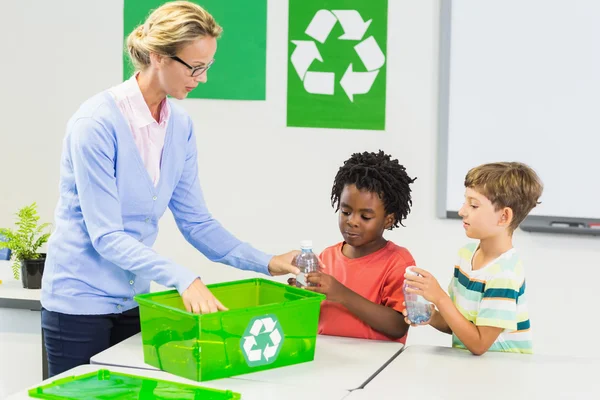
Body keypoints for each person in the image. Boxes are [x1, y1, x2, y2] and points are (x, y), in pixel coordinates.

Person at [41, 1, 299, 377]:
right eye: (195, 67)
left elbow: (197, 222)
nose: (202, 78)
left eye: (207, 67)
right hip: (77, 306)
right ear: (159, 56)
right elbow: (107, 235)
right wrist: (183, 278)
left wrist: (267, 262)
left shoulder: (179, 126)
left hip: (133, 301)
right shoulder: (95, 124)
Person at [403, 162, 543, 354]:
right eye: (465, 202)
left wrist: (440, 298)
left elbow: (479, 344)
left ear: (504, 217)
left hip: (503, 373)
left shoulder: (504, 274)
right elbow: (457, 324)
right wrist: (432, 315)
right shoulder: (466, 255)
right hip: (474, 371)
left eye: (474, 205)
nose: (462, 211)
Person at [290, 150, 417, 342]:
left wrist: (341, 294)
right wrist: (299, 296)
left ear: (388, 220)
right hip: (328, 357)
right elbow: (313, 318)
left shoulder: (397, 262)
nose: (352, 221)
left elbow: (398, 326)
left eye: (365, 216)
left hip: (378, 365)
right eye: (346, 212)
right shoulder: (327, 257)